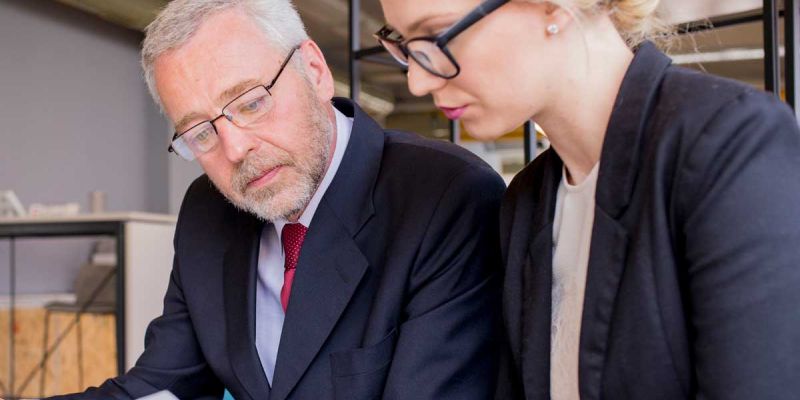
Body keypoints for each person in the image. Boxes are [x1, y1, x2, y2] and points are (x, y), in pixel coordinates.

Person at [52, 0, 506, 399]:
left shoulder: (444, 196)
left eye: (251, 103)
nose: (235, 149)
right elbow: (166, 386)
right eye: (200, 132)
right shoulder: (207, 211)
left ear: (314, 71)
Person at [377, 0, 800, 398]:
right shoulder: (527, 199)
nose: (417, 81)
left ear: (554, 7)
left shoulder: (728, 143)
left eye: (436, 36)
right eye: (403, 46)